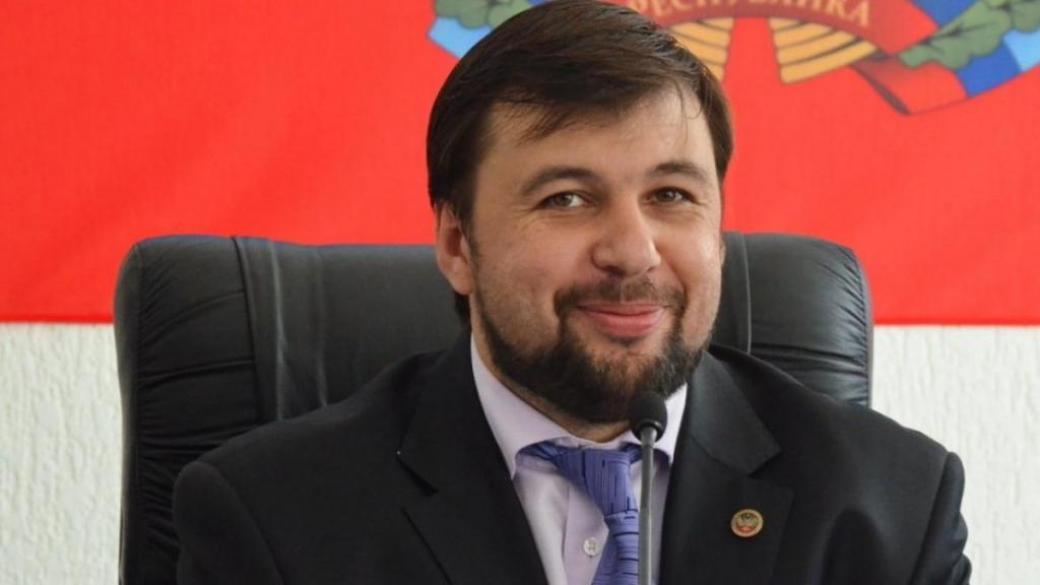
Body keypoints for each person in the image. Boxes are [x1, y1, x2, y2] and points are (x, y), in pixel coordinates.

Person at [173, 1, 971, 583]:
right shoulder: (275, 519)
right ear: (457, 245)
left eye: (671, 195)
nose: (633, 251)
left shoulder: (889, 508)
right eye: (567, 198)